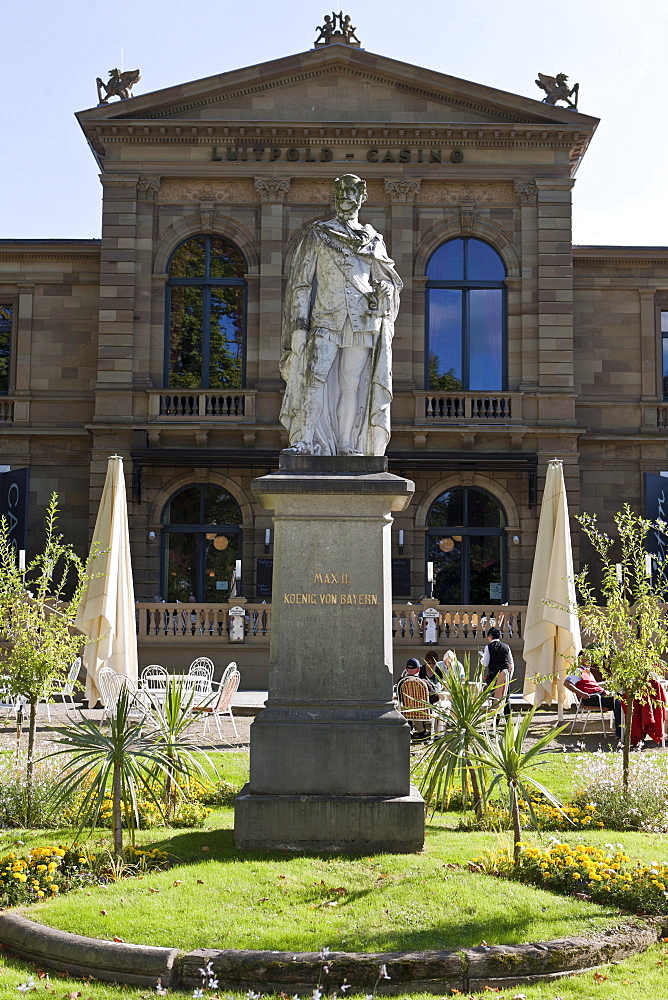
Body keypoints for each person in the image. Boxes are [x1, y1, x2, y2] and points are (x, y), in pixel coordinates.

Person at [279, 174, 402, 456]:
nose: (347, 197)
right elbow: (301, 283)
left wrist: (384, 288)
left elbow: (388, 282)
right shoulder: (317, 234)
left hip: (361, 321)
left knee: (352, 385)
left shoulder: (373, 240)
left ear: (362, 197)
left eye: (352, 192)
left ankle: (347, 445)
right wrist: (299, 327)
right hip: (325, 319)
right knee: (315, 378)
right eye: (342, 192)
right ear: (335, 197)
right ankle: (305, 442)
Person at [565, 649, 622, 739]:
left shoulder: (588, 671)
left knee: (623, 699)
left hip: (598, 696)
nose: (589, 659)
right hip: (590, 699)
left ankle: (626, 731)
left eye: (590, 657)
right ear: (580, 659)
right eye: (587, 657)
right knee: (618, 702)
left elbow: (593, 686)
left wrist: (604, 690)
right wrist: (581, 693)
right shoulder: (578, 671)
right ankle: (620, 734)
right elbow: (567, 683)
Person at [397, 657, 435, 738]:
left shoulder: (401, 682)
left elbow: (399, 697)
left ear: (406, 669)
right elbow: (435, 697)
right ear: (418, 670)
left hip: (407, 711)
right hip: (424, 712)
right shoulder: (424, 682)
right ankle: (437, 733)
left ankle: (417, 730)